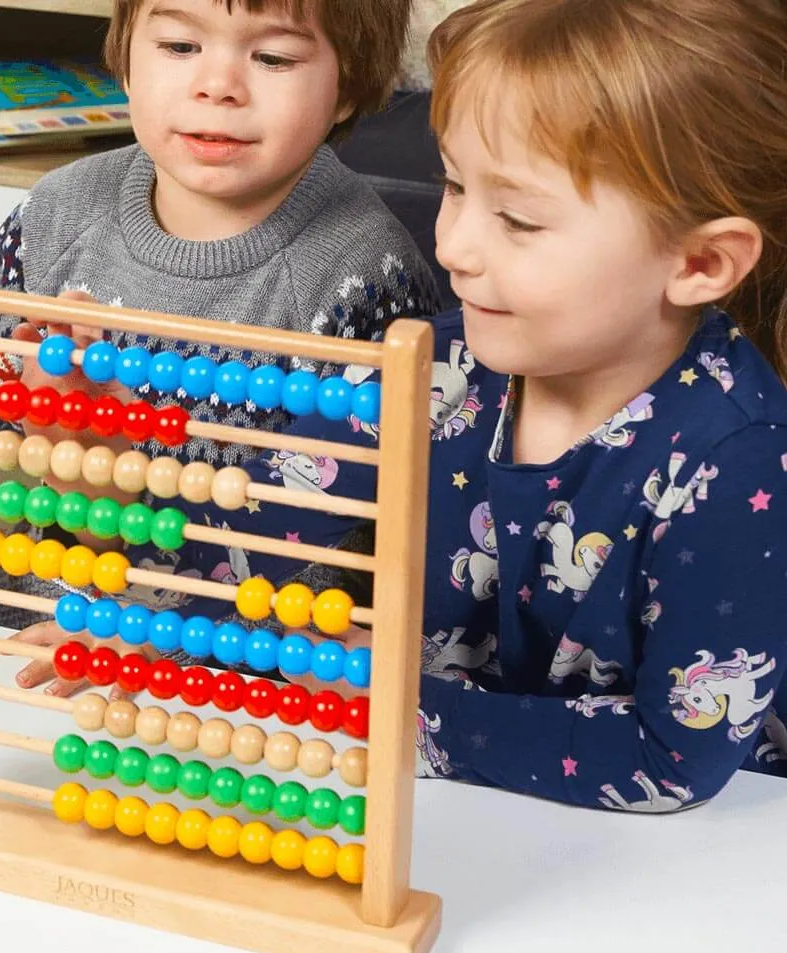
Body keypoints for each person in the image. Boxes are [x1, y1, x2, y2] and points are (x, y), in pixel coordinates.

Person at [97, 0, 787, 812]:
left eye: (519, 220)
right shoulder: (438, 367)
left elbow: (670, 760)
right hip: (460, 814)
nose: (453, 246)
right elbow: (254, 531)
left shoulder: (738, 460)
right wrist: (138, 632)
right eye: (455, 186)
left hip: (696, 867)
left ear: (702, 261)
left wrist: (390, 712)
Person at [0, 0, 440, 684]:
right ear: (125, 53)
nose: (217, 85)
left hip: (216, 684)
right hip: (24, 646)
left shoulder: (369, 281)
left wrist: (178, 645)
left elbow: (352, 558)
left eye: (273, 57)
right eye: (179, 46)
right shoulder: (58, 213)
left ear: (350, 85)